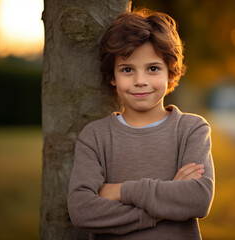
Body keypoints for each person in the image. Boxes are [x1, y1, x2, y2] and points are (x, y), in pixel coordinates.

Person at [67, 8, 215, 240]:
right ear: (112, 77)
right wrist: (162, 206)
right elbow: (81, 211)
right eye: (127, 70)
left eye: (153, 68)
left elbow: (198, 199)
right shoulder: (95, 136)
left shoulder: (191, 129)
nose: (140, 81)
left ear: (170, 73)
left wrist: (119, 190)